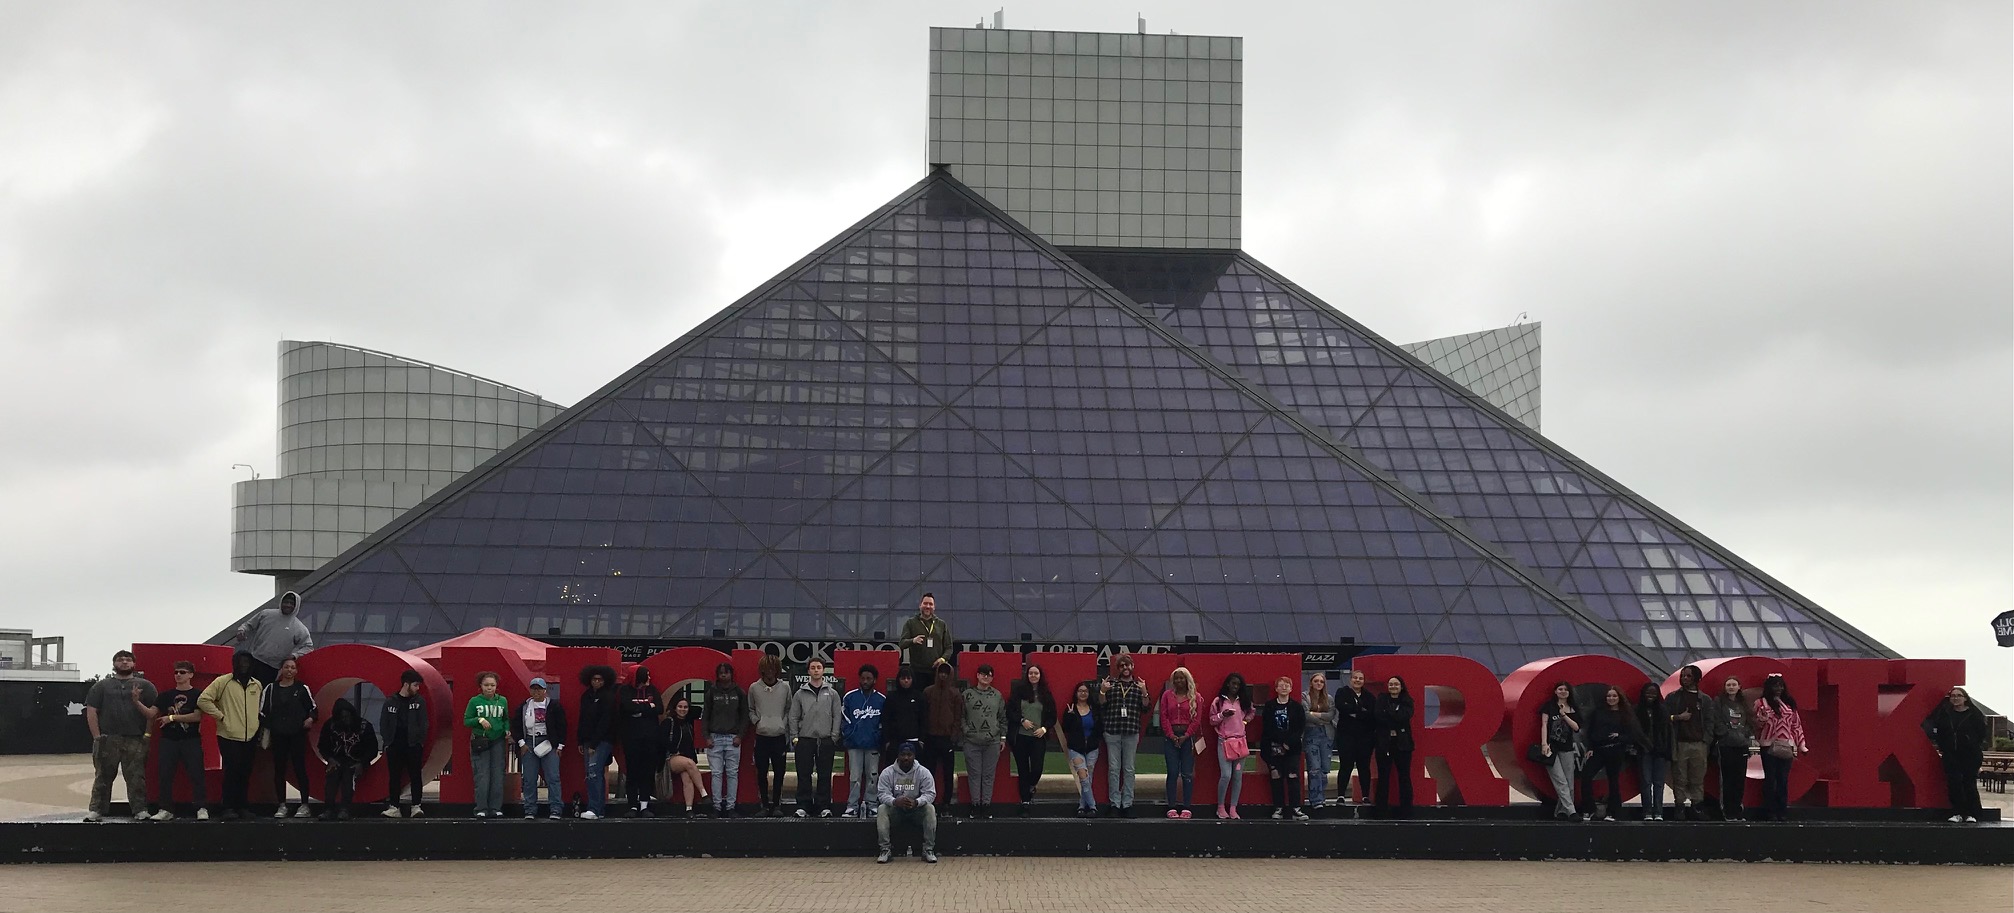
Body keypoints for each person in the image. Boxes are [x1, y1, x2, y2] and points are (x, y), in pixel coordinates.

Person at [83, 650, 157, 822]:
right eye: (120, 660)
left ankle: (140, 809)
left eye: (128, 660)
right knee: (103, 775)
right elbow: (92, 711)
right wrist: (97, 736)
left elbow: (153, 712)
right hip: (108, 738)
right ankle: (97, 810)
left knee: (136, 777)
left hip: (136, 738)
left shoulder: (146, 686)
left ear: (134, 664)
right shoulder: (101, 686)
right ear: (114, 663)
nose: (124, 662)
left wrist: (147, 735)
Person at [198, 652, 263, 819]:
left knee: (245, 772)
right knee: (231, 771)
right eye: (241, 662)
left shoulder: (257, 685)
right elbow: (203, 700)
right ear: (234, 663)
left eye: (247, 662)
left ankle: (242, 806)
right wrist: (221, 717)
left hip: (250, 736)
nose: (244, 665)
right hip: (228, 735)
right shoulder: (222, 681)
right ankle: (227, 807)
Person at [259, 656, 318, 818]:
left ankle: (305, 805)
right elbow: (262, 712)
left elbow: (313, 709)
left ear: (296, 671)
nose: (289, 670)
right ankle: (282, 805)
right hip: (279, 737)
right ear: (281, 669)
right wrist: (275, 725)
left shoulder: (302, 688)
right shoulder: (270, 689)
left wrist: (309, 719)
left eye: (292, 667)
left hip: (297, 735)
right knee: (279, 770)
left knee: (300, 768)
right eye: (286, 667)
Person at [149, 660, 208, 821]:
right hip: (169, 741)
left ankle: (201, 807)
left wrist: (172, 717)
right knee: (165, 775)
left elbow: (197, 716)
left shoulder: (198, 694)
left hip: (191, 740)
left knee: (197, 774)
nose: (178, 675)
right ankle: (165, 809)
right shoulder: (165, 695)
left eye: (182, 672)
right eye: (176, 672)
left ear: (190, 675)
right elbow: (150, 714)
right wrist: (135, 701)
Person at [1922, 685, 1989, 824]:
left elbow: (1982, 733)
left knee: (1969, 784)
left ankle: (1972, 813)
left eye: (1959, 695)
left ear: (1965, 698)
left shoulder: (1975, 715)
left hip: (1970, 755)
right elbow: (1940, 732)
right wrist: (1943, 747)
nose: (1956, 698)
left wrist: (1970, 743)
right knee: (1954, 784)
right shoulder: (1945, 714)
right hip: (1951, 754)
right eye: (1953, 696)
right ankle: (1957, 812)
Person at [1096, 652, 1149, 817]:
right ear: (1117, 668)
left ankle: (1127, 803)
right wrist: (1103, 692)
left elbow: (1146, 707)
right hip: (1112, 731)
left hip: (1131, 731)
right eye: (1122, 666)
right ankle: (1114, 804)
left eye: (1128, 665)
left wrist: (1145, 691)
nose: (1125, 668)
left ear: (1132, 667)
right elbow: (1101, 706)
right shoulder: (1111, 684)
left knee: (1129, 769)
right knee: (1113, 768)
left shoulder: (1138, 685)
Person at [789, 659, 844, 818]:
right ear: (808, 671)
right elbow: (793, 716)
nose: (816, 670)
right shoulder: (800, 693)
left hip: (826, 739)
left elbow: (837, 715)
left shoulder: (832, 693)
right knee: (804, 774)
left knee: (825, 774)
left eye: (819, 667)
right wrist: (795, 737)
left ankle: (823, 806)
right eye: (813, 668)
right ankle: (803, 806)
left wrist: (834, 736)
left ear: (823, 670)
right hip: (805, 740)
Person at [1752, 674, 1807, 822]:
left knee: (1783, 779)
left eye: (1781, 686)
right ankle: (1769, 811)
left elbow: (1796, 725)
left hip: (1786, 745)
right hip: (1768, 746)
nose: (1778, 689)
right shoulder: (1761, 703)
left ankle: (1781, 811)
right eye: (1775, 686)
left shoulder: (1789, 704)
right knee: (1770, 779)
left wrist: (1801, 744)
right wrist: (1761, 721)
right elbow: (1755, 725)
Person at [874, 741, 939, 864]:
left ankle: (928, 849)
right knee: (882, 809)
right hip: (896, 810)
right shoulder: (887, 772)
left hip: (916, 810)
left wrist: (917, 802)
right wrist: (894, 801)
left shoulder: (923, 772)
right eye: (903, 755)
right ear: (898, 756)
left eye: (909, 755)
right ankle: (885, 849)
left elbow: (931, 794)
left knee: (930, 809)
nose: (906, 758)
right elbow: (882, 794)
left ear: (914, 756)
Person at [513, 676, 568, 819]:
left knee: (553, 777)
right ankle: (530, 809)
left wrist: (560, 746)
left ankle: (556, 808)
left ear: (545, 690)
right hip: (529, 743)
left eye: (539, 689)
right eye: (533, 688)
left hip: (549, 743)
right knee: (529, 778)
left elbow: (562, 725)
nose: (536, 692)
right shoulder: (524, 706)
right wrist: (521, 743)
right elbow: (516, 726)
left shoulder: (554, 705)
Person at [315, 697, 379, 820]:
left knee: (348, 776)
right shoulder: (330, 725)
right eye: (343, 718)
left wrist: (362, 762)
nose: (346, 720)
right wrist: (330, 759)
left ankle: (345, 809)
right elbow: (322, 746)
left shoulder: (364, 726)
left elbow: (372, 749)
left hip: (356, 760)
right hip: (337, 759)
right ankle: (328, 809)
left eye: (348, 717)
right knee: (332, 776)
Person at [379, 669, 430, 818]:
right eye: (415, 685)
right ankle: (394, 806)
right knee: (394, 777)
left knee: (415, 776)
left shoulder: (419, 702)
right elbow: (384, 723)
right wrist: (388, 741)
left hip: (413, 746)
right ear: (406, 684)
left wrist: (419, 742)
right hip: (395, 745)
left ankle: (416, 806)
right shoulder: (390, 701)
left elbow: (424, 723)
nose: (417, 688)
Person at [233, 590, 314, 684]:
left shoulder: (299, 627)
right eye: (286, 602)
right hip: (254, 660)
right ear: (281, 602)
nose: (288, 605)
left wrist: (294, 655)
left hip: (272, 668)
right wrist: (241, 631)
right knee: (242, 687)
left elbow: (308, 646)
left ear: (296, 606)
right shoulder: (266, 614)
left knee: (261, 694)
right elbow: (248, 625)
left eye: (291, 603)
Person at [1006, 664, 1057, 815]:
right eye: (1030, 673)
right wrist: (1022, 720)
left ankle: (1031, 785)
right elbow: (1010, 711)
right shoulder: (1018, 691)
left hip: (1037, 738)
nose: (1033, 676)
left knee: (1036, 769)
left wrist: (1045, 729)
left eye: (1036, 673)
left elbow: (1052, 716)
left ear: (1040, 676)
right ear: (1026, 675)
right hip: (1020, 737)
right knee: (1023, 770)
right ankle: (1025, 802)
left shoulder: (1046, 694)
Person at [1582, 686, 1639, 821]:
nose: (1611, 699)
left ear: (1619, 698)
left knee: (1613, 781)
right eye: (1609, 696)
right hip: (1598, 749)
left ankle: (1613, 812)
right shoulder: (1598, 712)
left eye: (1614, 696)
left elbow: (1632, 735)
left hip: (1615, 750)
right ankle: (1589, 809)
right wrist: (1590, 747)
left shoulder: (1626, 714)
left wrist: (1619, 736)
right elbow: (1590, 731)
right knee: (1586, 775)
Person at [1662, 664, 1711, 820]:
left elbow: (1710, 721)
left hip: (1698, 743)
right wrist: (1677, 718)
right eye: (1683, 675)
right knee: (1680, 777)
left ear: (1696, 678)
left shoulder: (1705, 700)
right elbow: (1663, 717)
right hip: (1680, 743)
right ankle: (1680, 807)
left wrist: (1706, 740)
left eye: (1688, 676)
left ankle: (1697, 806)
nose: (1684, 678)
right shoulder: (1673, 697)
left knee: (1697, 777)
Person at [958, 663, 1007, 818]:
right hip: (971, 741)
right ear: (978, 675)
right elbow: (961, 716)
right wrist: (966, 731)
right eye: (983, 674)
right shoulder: (967, 695)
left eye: (989, 675)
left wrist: (1002, 737)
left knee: (988, 775)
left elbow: (1002, 718)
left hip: (992, 741)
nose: (986, 677)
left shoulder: (997, 696)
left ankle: (986, 805)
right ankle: (975, 805)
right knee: (974, 774)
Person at [616, 667, 665, 817]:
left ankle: (644, 805)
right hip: (631, 739)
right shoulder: (625, 691)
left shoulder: (653, 690)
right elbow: (626, 707)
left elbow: (660, 709)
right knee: (632, 772)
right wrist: (647, 707)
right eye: (646, 676)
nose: (649, 679)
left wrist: (639, 711)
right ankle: (632, 805)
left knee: (647, 772)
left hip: (650, 739)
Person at [747, 653, 792, 817]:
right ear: (762, 671)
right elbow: (750, 709)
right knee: (761, 771)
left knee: (780, 772)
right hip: (762, 736)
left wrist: (783, 723)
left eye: (773, 669)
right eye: (767, 669)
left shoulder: (785, 687)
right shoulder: (754, 688)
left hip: (779, 736)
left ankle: (777, 805)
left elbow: (789, 708)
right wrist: (757, 722)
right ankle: (764, 805)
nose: (770, 672)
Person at [1155, 667, 1202, 819]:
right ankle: (1171, 806)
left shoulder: (1196, 697)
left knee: (1187, 773)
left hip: (1188, 738)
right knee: (1173, 772)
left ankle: (1187, 806)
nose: (1179, 681)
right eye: (1176, 678)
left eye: (1182, 678)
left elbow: (1197, 719)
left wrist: (1187, 735)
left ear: (1187, 679)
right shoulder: (1167, 696)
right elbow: (1164, 716)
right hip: (1171, 737)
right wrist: (1171, 735)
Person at [1260, 676, 1309, 820]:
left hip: (1292, 749)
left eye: (1287, 685)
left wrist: (1289, 743)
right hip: (1274, 748)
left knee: (1292, 776)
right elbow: (1268, 727)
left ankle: (1295, 808)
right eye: (1281, 685)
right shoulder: (1270, 706)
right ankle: (1278, 808)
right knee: (1276, 778)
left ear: (1291, 688)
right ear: (1276, 689)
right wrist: (1281, 742)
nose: (1284, 687)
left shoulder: (1297, 707)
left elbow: (1300, 728)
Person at [704, 662, 750, 817]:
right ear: (717, 675)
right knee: (716, 773)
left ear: (731, 674)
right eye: (721, 673)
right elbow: (706, 716)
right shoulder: (711, 692)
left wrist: (740, 736)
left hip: (733, 739)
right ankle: (716, 807)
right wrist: (707, 736)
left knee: (732, 774)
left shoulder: (739, 693)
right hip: (715, 738)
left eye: (726, 672)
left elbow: (745, 717)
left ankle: (731, 807)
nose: (723, 675)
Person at [841, 664, 887, 819]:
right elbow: (845, 718)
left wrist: (878, 737)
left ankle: (871, 804)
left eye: (869, 678)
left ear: (875, 680)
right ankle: (852, 806)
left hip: (873, 745)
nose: (865, 681)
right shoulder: (850, 697)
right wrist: (849, 735)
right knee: (854, 776)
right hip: (854, 745)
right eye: (863, 678)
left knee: (873, 775)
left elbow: (884, 722)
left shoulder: (881, 699)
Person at [463, 670, 510, 818]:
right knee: (482, 776)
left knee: (497, 775)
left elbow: (506, 719)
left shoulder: (502, 701)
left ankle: (496, 808)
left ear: (496, 686)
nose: (489, 688)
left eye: (492, 685)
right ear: (481, 686)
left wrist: (507, 729)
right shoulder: (474, 701)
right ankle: (481, 808)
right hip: (480, 741)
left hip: (498, 741)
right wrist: (479, 720)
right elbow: (466, 720)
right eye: (486, 685)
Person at [575, 665, 618, 821]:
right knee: (592, 774)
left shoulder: (608, 696)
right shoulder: (586, 696)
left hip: (602, 741)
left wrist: (594, 743)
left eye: (600, 679)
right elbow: (582, 719)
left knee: (594, 773)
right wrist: (581, 740)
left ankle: (594, 808)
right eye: (594, 679)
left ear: (605, 681)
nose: (596, 682)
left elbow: (606, 721)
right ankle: (598, 810)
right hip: (587, 741)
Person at [1708, 675, 1753, 821]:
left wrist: (1744, 736)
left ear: (1739, 686)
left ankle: (1737, 811)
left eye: (1734, 684)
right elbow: (1716, 721)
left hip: (1741, 746)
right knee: (1726, 780)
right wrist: (1726, 734)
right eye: (1728, 685)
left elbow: (1749, 723)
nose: (1731, 687)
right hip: (1725, 745)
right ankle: (1727, 812)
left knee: (1739, 780)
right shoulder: (1719, 702)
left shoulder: (1743, 704)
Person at [1209, 672, 1254, 819]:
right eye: (1233, 683)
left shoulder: (1244, 701)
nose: (1235, 687)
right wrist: (1223, 715)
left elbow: (1251, 712)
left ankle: (1233, 807)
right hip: (1224, 741)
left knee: (1238, 776)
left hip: (1240, 742)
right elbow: (1212, 720)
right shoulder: (1219, 701)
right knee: (1226, 775)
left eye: (1238, 684)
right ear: (1227, 684)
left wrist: (1244, 722)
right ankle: (1220, 806)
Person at [1539, 680, 1583, 820]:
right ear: (1555, 692)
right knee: (1560, 781)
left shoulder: (1573, 708)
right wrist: (1544, 744)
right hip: (1551, 748)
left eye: (1565, 689)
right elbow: (1544, 725)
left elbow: (1576, 728)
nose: (1563, 691)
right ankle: (1572, 812)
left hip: (1567, 749)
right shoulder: (1549, 706)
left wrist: (1564, 715)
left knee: (1569, 783)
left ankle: (1560, 812)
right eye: (1560, 689)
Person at [1059, 682, 1105, 817]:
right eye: (1080, 691)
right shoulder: (1071, 708)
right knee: (1083, 776)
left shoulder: (1094, 709)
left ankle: (1081, 806)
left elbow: (1100, 727)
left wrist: (1095, 740)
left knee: (1088, 777)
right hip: (1076, 748)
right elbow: (1066, 728)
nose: (1083, 693)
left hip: (1091, 747)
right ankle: (1093, 806)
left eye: (1085, 691)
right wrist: (1071, 716)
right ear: (1076, 693)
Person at [1373, 675, 1415, 817]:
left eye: (1396, 684)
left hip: (1403, 745)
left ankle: (1406, 810)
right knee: (1383, 777)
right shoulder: (1382, 699)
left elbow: (1404, 716)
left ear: (1401, 686)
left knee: (1404, 777)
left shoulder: (1407, 701)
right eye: (1390, 684)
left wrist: (1389, 713)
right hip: (1384, 744)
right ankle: (1381, 810)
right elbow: (1378, 716)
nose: (1393, 687)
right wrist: (1395, 715)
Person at [1334, 669, 1377, 807]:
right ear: (1350, 679)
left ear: (1364, 681)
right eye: (1355, 678)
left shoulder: (1369, 697)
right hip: (1345, 736)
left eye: (1360, 678)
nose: (1358, 680)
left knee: (1364, 767)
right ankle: (1341, 795)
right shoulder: (1342, 692)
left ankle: (1365, 796)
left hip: (1365, 738)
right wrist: (1361, 711)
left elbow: (1371, 714)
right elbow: (1342, 707)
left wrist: (1354, 712)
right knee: (1345, 765)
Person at [921, 663, 962, 809]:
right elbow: (924, 714)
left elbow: (958, 716)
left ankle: (946, 802)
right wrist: (924, 735)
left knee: (947, 773)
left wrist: (954, 736)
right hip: (931, 738)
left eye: (945, 673)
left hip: (947, 738)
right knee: (928, 772)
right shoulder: (928, 692)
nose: (943, 676)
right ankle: (928, 801)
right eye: (940, 673)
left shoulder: (955, 693)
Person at [662, 691, 708, 817]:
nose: (683, 709)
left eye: (685, 707)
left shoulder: (688, 723)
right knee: (690, 763)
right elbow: (662, 741)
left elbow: (698, 710)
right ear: (674, 708)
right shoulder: (669, 722)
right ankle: (704, 793)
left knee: (687, 779)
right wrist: (672, 749)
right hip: (671, 757)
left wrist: (687, 708)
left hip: (685, 758)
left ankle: (688, 809)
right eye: (680, 706)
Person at [1635, 682, 1674, 821]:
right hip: (1644, 750)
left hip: (1660, 751)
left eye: (1653, 693)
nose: (1650, 696)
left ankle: (1658, 812)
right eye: (1648, 693)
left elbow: (1668, 733)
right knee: (1646, 782)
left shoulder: (1663, 711)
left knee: (1658, 783)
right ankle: (1647, 811)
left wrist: (1668, 751)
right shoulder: (1637, 711)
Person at [880, 666, 927, 775]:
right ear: (898, 680)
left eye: (908, 678)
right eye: (903, 678)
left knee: (916, 774)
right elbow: (885, 719)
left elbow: (924, 719)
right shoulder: (892, 698)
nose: (906, 681)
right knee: (892, 774)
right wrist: (887, 741)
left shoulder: (919, 697)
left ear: (912, 679)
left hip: (914, 742)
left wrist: (922, 740)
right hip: (895, 743)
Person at [1302, 673, 1336, 812]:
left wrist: (1314, 714)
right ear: (1311, 682)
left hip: (1326, 735)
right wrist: (1322, 718)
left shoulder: (1328, 698)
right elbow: (1305, 715)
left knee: (1324, 769)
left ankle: (1322, 797)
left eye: (1321, 681)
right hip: (1311, 735)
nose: (1319, 683)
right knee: (1314, 768)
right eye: (1316, 681)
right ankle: (1316, 799)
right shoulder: (1305, 696)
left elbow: (1331, 715)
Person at [899, 593, 953, 677]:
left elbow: (949, 647)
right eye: (925, 603)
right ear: (920, 605)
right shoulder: (911, 623)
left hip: (937, 672)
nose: (927, 606)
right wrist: (913, 641)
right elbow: (902, 643)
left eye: (930, 604)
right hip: (916, 672)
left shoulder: (941, 624)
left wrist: (942, 659)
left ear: (934, 607)